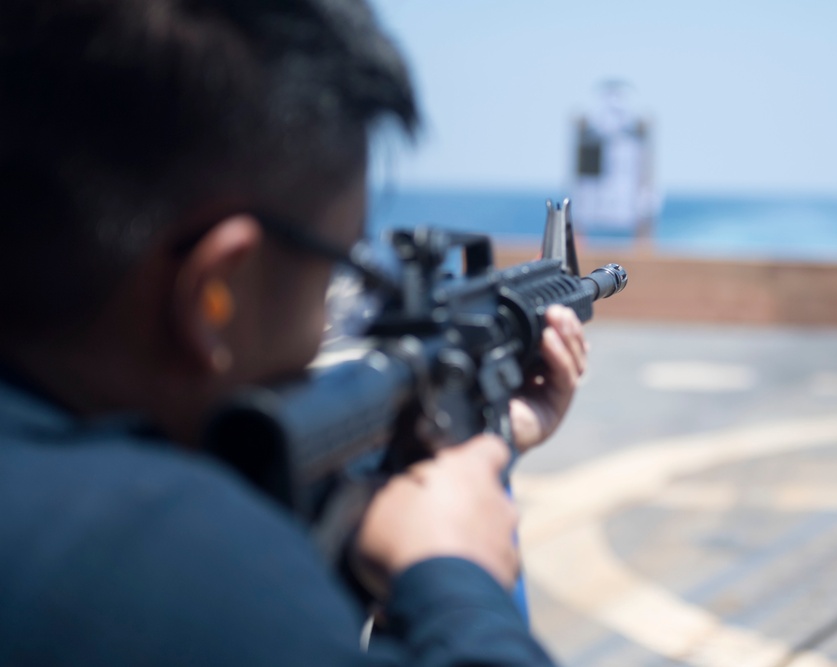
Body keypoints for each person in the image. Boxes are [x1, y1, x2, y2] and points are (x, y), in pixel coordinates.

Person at [0, 1, 588, 665]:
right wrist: (454, 574)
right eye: (345, 260)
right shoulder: (182, 566)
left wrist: (473, 441)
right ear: (216, 292)